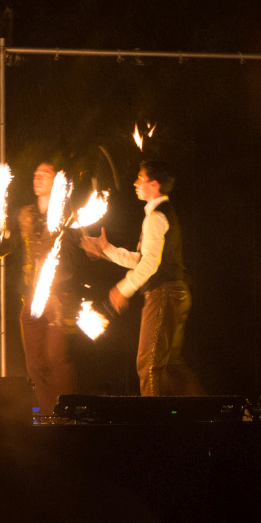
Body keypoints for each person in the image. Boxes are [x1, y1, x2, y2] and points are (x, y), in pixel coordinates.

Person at [80, 160, 202, 396]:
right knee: (172, 365)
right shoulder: (158, 215)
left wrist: (122, 289)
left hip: (164, 293)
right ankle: (206, 416)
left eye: (140, 178)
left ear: (154, 184)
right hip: (176, 292)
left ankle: (152, 427)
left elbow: (149, 264)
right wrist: (107, 250)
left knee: (148, 365)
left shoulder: (156, 217)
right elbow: (142, 259)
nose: (135, 183)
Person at [0, 162, 79, 414]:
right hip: (31, 300)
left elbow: (78, 253)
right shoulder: (24, 214)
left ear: (57, 183)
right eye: (36, 173)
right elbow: (6, 246)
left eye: (45, 174)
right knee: (35, 364)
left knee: (56, 359)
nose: (38, 177)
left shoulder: (69, 216)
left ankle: (67, 415)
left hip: (59, 298)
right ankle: (45, 415)